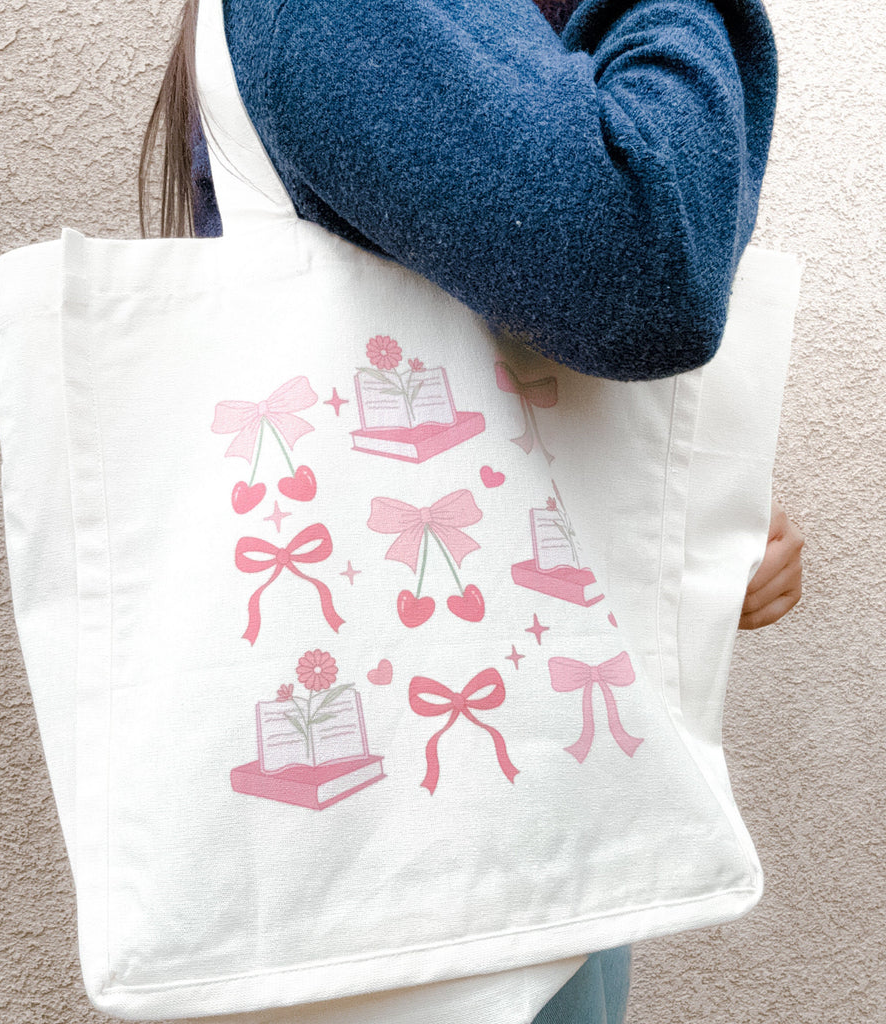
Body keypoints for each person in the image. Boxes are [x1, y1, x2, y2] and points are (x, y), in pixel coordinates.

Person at [138, 0, 804, 1019]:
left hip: (500, 862)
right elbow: (639, 255)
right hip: (420, 896)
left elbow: (531, 320)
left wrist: (688, 534)